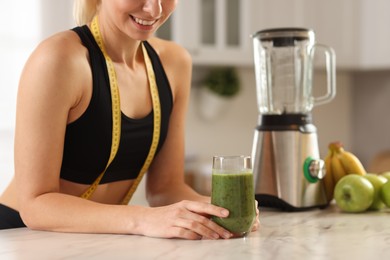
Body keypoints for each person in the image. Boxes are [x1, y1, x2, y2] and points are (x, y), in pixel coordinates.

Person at [0, 0, 259, 239]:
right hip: (19, 236)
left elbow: (165, 189)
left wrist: (213, 209)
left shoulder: (174, 62)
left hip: (92, 240)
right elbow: (35, 205)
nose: (155, 9)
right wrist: (144, 219)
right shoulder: (59, 59)